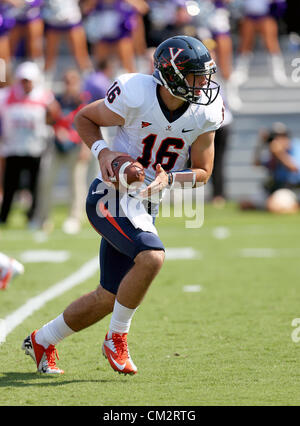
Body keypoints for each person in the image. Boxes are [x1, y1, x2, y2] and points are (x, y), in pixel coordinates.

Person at [21, 35, 224, 375]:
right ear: (171, 75)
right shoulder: (135, 93)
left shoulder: (206, 111)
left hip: (146, 203)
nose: (204, 83)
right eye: (195, 75)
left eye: (205, 75)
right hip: (110, 195)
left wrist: (171, 180)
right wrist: (106, 153)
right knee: (152, 257)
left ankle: (42, 339)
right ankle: (117, 338)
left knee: (108, 296)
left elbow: (203, 171)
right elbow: (85, 118)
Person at [0, 61, 60, 225]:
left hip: (35, 148)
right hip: (13, 148)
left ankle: (32, 216)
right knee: (10, 184)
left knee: (34, 185)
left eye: (29, 80)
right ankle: (4, 216)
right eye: (23, 80)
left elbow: (53, 116)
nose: (26, 84)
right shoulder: (7, 95)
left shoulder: (45, 96)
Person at [33, 69, 88, 234]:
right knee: (46, 180)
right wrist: (51, 113)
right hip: (57, 146)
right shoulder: (57, 100)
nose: (68, 85)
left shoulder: (82, 101)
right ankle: (43, 218)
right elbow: (49, 121)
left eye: (72, 81)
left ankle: (75, 218)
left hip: (76, 146)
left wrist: (86, 147)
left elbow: (89, 125)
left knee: (76, 184)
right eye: (66, 81)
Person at [232, 0, 288, 86]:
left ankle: (277, 72)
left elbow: (280, 4)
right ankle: (241, 71)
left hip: (266, 16)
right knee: (245, 44)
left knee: (271, 44)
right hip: (249, 16)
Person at [42, 0, 93, 83]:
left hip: (72, 19)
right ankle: (45, 80)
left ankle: (88, 79)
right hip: (53, 20)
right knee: (50, 55)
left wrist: (86, 8)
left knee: (80, 54)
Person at [9, 0, 44, 67]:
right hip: (12, 15)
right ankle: (10, 72)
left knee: (34, 45)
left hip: (32, 14)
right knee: (10, 46)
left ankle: (36, 69)